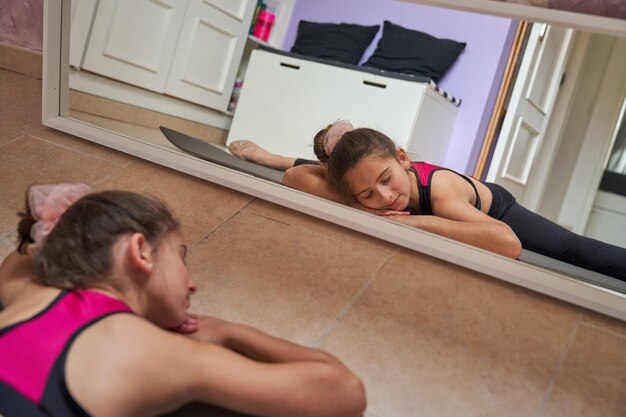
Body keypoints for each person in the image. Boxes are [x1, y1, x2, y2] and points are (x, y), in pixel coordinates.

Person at [0, 184, 366, 417]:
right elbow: (345, 392)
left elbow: (21, 258)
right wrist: (226, 332)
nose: (193, 284)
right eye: (181, 256)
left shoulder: (32, 293)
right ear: (140, 251)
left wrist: (84, 232)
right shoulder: (159, 352)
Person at [230, 123, 626, 280]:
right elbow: (297, 175)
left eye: (387, 180)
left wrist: (406, 222)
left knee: (574, 249)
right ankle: (267, 152)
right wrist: (272, 160)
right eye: (368, 194)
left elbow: (507, 242)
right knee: (326, 171)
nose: (385, 197)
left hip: (495, 208)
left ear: (403, 158)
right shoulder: (364, 181)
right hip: (363, 176)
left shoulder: (439, 192)